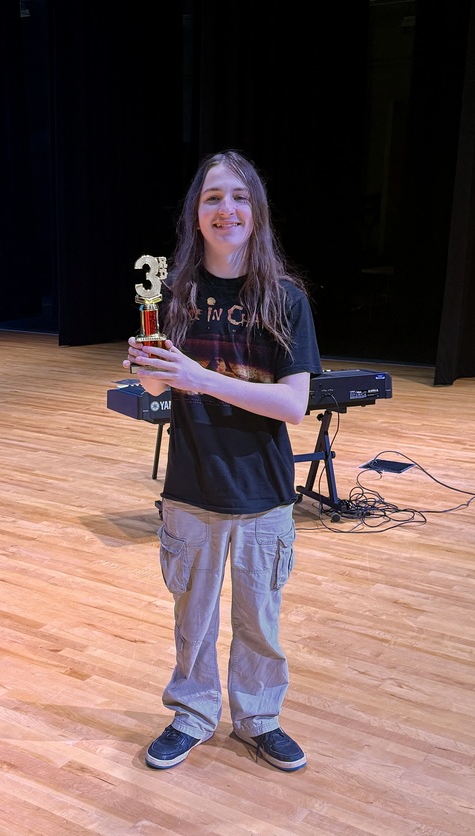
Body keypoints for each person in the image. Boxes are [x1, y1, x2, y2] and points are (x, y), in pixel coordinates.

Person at [124, 150, 323, 772]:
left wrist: (199, 377)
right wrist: (148, 368)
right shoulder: (172, 295)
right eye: (212, 197)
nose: (225, 209)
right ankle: (193, 713)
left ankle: (259, 717)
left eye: (238, 197)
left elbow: (294, 405)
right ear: (196, 214)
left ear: (256, 213)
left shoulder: (285, 300)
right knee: (194, 622)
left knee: (260, 622)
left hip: (264, 491)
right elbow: (159, 391)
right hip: (191, 488)